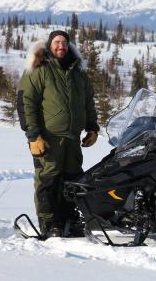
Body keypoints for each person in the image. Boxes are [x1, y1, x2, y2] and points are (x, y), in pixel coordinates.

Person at [17, 30, 99, 238]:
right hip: (48, 137)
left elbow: (88, 102)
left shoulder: (78, 73)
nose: (60, 46)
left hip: (72, 138)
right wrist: (33, 134)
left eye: (64, 42)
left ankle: (69, 219)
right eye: (56, 42)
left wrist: (92, 127)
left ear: (69, 46)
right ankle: (49, 222)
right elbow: (26, 102)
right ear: (49, 46)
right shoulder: (39, 70)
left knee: (72, 180)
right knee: (48, 179)